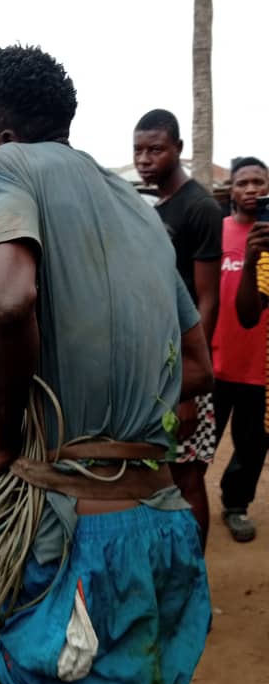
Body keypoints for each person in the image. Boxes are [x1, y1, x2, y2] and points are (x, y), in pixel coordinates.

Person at [0, 45, 213, 684]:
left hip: (68, 543)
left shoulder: (9, 169)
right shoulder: (139, 209)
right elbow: (197, 367)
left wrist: (8, 434)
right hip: (153, 532)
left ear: (3, 139)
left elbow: (7, 303)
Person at [133, 109, 222, 548]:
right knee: (160, 474)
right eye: (138, 151)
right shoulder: (157, 207)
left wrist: (187, 386)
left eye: (156, 150)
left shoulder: (200, 207)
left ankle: (193, 572)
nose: (144, 160)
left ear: (179, 149)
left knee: (187, 477)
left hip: (185, 370)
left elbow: (207, 299)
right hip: (157, 365)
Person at [212, 157, 269, 541]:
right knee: (199, 441)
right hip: (216, 361)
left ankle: (236, 505)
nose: (250, 189)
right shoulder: (216, 232)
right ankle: (183, 501)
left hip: (260, 366)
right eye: (242, 182)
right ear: (230, 190)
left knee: (251, 446)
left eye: (258, 182)